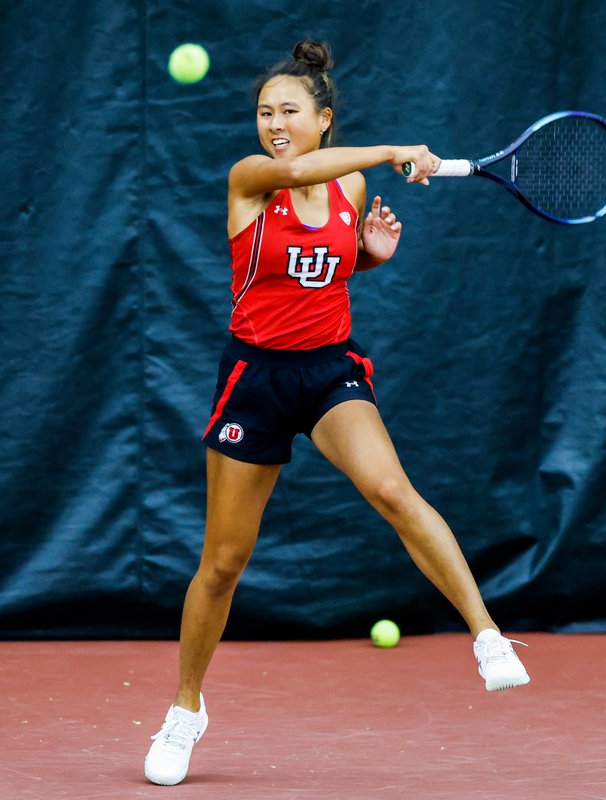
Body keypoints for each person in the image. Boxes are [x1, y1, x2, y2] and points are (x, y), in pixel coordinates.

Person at [143, 40, 529, 787]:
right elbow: (290, 177)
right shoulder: (252, 177)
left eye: (290, 111)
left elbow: (325, 267)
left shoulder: (349, 186)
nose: (274, 123)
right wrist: (391, 149)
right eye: (265, 112)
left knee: (393, 491)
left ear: (323, 119)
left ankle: (487, 636)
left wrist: (370, 258)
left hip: (328, 370)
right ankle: (186, 710)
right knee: (222, 565)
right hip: (256, 379)